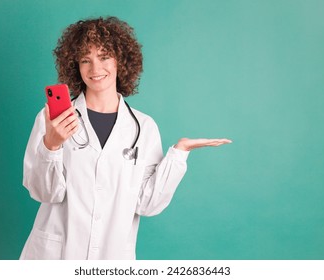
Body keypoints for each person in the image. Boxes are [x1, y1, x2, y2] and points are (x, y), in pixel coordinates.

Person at [20, 16, 231, 260]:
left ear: (121, 60)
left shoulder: (143, 127)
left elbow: (146, 204)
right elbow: (43, 193)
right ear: (75, 65)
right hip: (56, 256)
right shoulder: (52, 119)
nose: (95, 69)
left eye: (104, 56)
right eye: (85, 60)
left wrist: (179, 153)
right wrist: (52, 146)